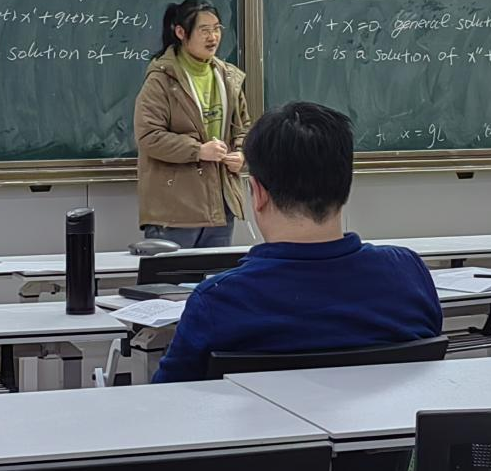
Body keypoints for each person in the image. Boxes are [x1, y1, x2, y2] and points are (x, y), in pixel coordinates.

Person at [152, 101, 443, 383]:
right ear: (345, 185)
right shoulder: (407, 274)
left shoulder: (218, 301)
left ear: (258, 193)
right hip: (386, 419)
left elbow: (166, 402)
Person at [134, 0, 248, 248]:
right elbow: (149, 136)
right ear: (181, 32)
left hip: (220, 206)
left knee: (217, 274)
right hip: (175, 211)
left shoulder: (228, 77)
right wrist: (197, 150)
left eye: (217, 29)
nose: (213, 37)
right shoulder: (162, 79)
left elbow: (244, 128)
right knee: (173, 275)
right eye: (204, 30)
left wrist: (242, 154)